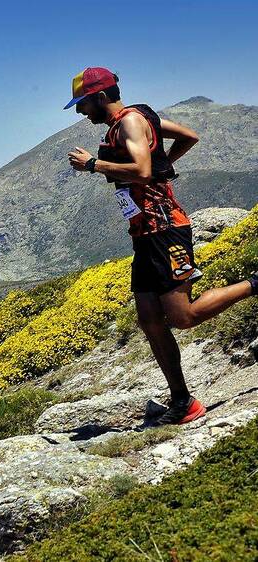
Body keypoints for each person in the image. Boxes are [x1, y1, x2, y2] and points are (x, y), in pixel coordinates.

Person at [63, 66, 258, 425]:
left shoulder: (131, 123)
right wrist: (163, 163)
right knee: (150, 321)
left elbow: (141, 171)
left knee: (182, 317)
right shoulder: (134, 120)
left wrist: (93, 164)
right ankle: (183, 402)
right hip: (144, 235)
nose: (80, 111)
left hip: (165, 229)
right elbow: (188, 136)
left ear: (101, 97)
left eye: (83, 104)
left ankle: (256, 284)